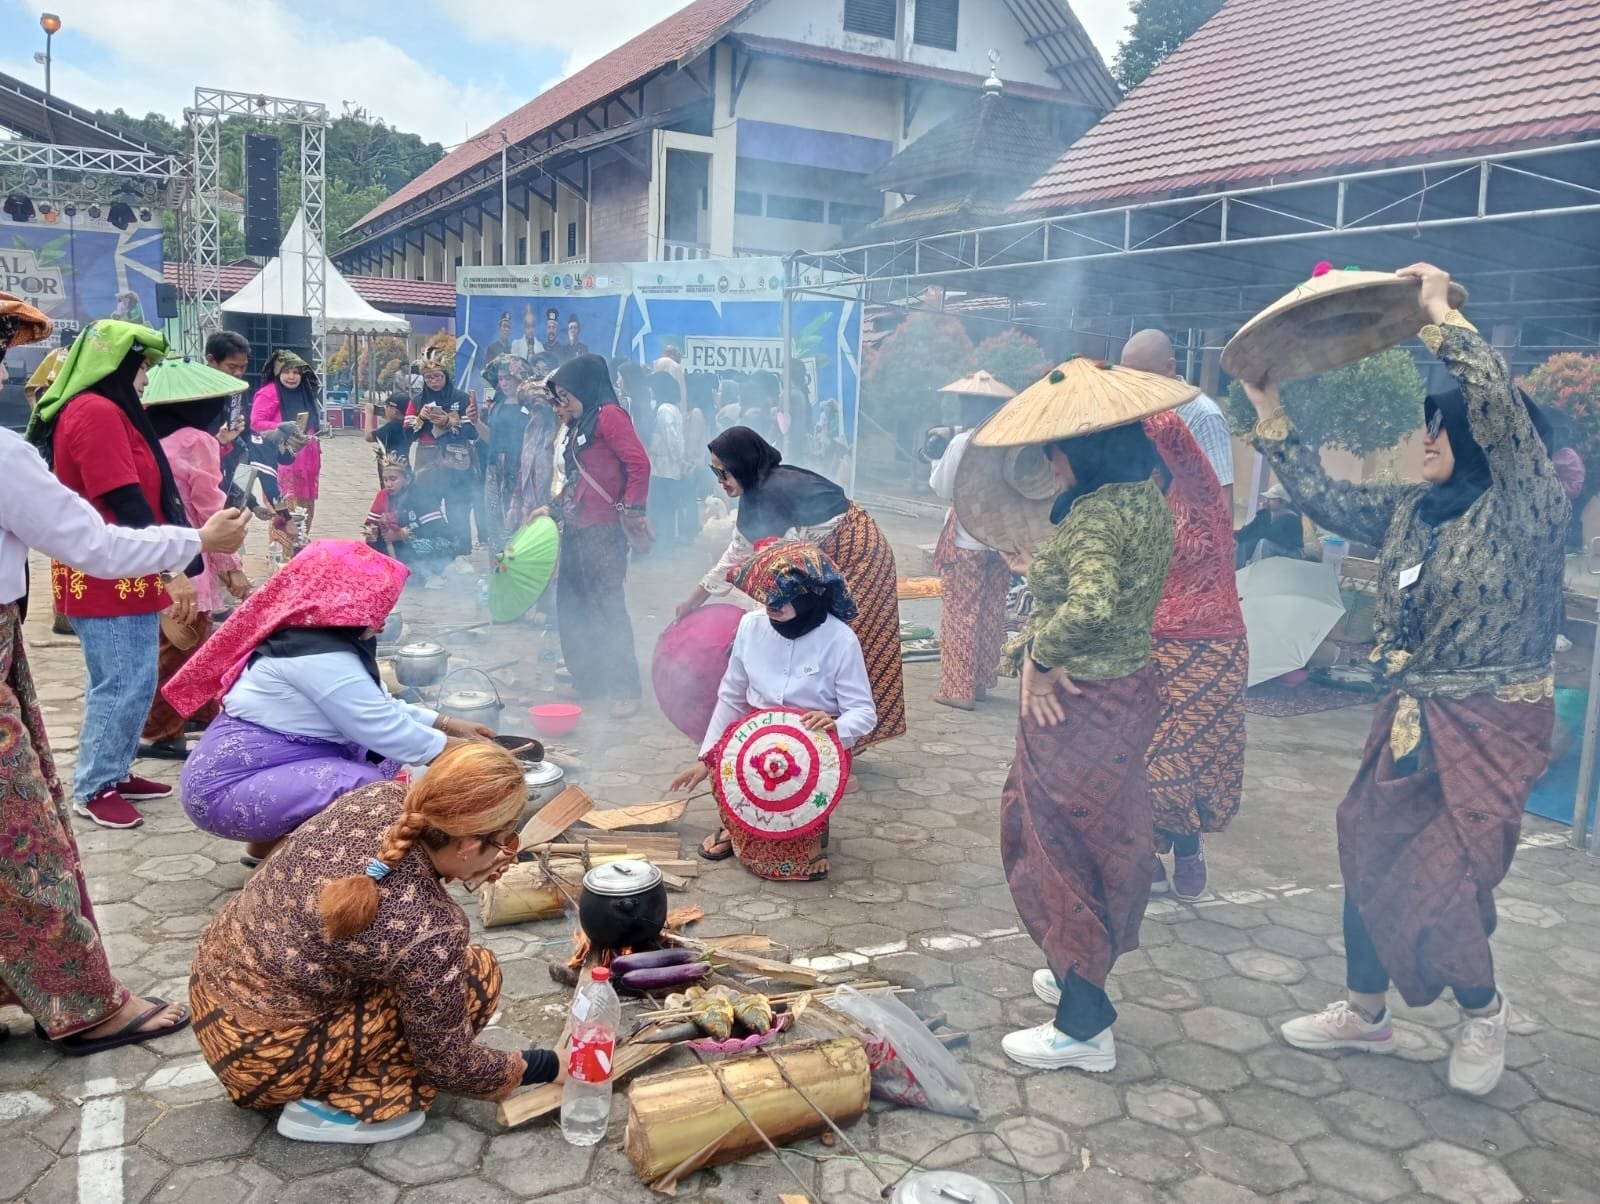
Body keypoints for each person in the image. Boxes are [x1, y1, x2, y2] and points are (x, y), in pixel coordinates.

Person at [1238, 264, 1567, 1096]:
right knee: (1369, 848)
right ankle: (1365, 1011)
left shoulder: (1524, 505)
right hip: (1411, 712)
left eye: (1439, 427)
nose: (1425, 439)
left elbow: (1497, 410)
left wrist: (1435, 316)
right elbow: (1321, 495)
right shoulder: (1415, 511)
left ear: (1480, 440)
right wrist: (1267, 402)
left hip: (1493, 722)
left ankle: (1482, 1009)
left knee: (1446, 877)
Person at [0, 290, 250, 1055]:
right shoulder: (86, 420)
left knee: (133, 684)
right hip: (107, 577)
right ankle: (80, 1001)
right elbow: (104, 527)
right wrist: (195, 544)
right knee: (22, 835)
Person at [189, 742, 561, 1145]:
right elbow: (449, 1065)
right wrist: (550, 1065)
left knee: (422, 978)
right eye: (505, 842)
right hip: (261, 1059)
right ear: (468, 845)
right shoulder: (431, 929)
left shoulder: (379, 795)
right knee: (476, 977)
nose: (505, 854)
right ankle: (338, 1109)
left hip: (210, 990)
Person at [998, 418, 1175, 1074]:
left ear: (1084, 447)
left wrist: (1039, 657)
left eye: (1058, 446)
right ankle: (1076, 968)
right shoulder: (1145, 497)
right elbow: (1107, 587)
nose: (1052, 459)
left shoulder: (1098, 513)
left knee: (1060, 848)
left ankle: (1082, 1026)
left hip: (1078, 703)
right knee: (1101, 840)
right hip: (1125, 691)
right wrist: (1038, 568)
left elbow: (1093, 605)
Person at [165, 541, 494, 861]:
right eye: (379, 604)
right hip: (225, 791)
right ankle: (288, 870)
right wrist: (467, 752)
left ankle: (268, 846)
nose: (382, 619)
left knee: (380, 758)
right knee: (373, 792)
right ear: (346, 598)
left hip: (262, 771)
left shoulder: (317, 639)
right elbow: (385, 728)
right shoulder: (317, 656)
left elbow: (379, 707)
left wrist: (448, 724)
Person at [26, 320, 203, 830]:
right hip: (108, 569)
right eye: (142, 366)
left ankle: (116, 768)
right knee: (120, 682)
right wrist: (173, 564)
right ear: (119, 366)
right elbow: (124, 497)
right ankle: (94, 784)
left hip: (128, 564)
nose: (147, 378)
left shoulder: (109, 409)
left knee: (137, 678)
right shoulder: (95, 411)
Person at [680, 427, 906, 748]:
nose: (719, 480)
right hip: (822, 558)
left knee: (848, 643)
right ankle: (821, 742)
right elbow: (739, 554)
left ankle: (841, 751)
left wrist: (759, 615)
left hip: (858, 555)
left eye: (723, 471)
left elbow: (786, 569)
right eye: (714, 472)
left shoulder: (774, 491)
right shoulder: (755, 493)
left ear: (742, 463)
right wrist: (695, 598)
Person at [671, 540, 875, 881]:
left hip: (816, 747)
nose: (770, 609)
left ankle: (809, 834)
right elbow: (731, 696)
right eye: (767, 601)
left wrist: (837, 725)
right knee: (732, 768)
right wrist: (706, 757)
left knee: (789, 836)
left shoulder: (840, 640)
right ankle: (736, 829)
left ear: (808, 596)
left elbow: (864, 713)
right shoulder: (751, 626)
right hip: (755, 739)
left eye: (780, 603)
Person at [1142, 410, 1248, 901]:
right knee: (1142, 759)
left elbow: (1178, 442)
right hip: (1147, 644)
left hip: (1210, 647)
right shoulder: (1139, 502)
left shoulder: (1203, 499)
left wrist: (1129, 395)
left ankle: (1187, 846)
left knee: (1185, 768)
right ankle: (1145, 853)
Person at [138, 370, 254, 760]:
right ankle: (161, 732)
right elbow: (210, 507)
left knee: (186, 642)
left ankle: (199, 712)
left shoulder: (148, 436)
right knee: (182, 645)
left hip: (153, 549)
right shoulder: (196, 439)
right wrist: (231, 565)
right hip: (189, 552)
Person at [542, 354, 651, 717]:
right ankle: (589, 677)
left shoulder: (609, 416)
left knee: (606, 605)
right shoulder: (580, 422)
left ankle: (626, 686)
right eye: (557, 399)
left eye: (565, 397)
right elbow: (576, 478)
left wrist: (634, 509)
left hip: (604, 529)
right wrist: (554, 509)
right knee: (573, 604)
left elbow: (639, 464)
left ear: (585, 389)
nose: (560, 405)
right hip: (575, 525)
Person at [927, 400, 1011, 712]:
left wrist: (936, 460)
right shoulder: (1013, 440)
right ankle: (978, 683)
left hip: (967, 538)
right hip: (1002, 538)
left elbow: (943, 487)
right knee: (991, 611)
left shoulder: (964, 442)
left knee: (961, 613)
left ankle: (957, 689)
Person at [1121, 328, 1235, 506]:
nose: (1131, 384)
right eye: (1125, 376)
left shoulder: (1203, 415)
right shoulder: (1131, 409)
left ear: (1169, 367)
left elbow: (1221, 493)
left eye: (1140, 375)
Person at [251, 350, 323, 534]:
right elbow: (256, 423)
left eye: (297, 372)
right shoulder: (268, 393)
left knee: (304, 515)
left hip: (306, 464)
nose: (292, 376)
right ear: (277, 372)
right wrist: (282, 427)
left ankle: (298, 557)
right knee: (285, 514)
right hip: (283, 462)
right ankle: (281, 558)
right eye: (287, 371)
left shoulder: (305, 393)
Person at [364, 456, 453, 577]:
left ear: (407, 480)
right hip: (399, 543)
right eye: (385, 480)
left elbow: (436, 529)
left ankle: (427, 571)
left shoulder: (421, 496)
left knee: (422, 547)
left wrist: (402, 534)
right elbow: (370, 524)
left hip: (435, 540)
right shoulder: (383, 496)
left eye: (393, 479)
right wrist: (372, 534)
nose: (388, 484)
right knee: (375, 545)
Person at [477, 355, 531, 551]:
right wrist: (476, 422)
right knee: (494, 522)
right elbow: (491, 439)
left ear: (520, 378)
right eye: (500, 379)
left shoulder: (532, 406)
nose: (504, 383)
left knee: (515, 521)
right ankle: (497, 573)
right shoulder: (496, 406)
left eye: (508, 378)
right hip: (494, 469)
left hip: (518, 470)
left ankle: (517, 572)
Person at [647, 369, 691, 546]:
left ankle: (663, 543)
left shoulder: (664, 410)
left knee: (662, 506)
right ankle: (667, 541)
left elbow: (672, 438)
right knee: (667, 506)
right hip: (669, 465)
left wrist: (678, 459)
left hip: (664, 466)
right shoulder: (672, 408)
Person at [510, 377, 560, 527]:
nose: (533, 414)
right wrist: (515, 503)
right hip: (529, 505)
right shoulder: (531, 430)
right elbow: (524, 468)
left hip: (553, 507)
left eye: (538, 410)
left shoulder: (559, 432)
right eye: (530, 409)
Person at [412, 362, 475, 473]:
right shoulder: (417, 401)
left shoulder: (462, 398)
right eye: (428, 377)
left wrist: (449, 422)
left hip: (457, 454)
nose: (433, 380)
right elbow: (406, 435)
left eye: (437, 376)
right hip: (427, 456)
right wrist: (420, 418)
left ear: (445, 376)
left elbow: (473, 433)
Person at [1234, 482, 1305, 566]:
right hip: (1275, 548)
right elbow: (1251, 527)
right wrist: (1235, 537)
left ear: (1282, 502)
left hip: (1292, 554)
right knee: (1244, 541)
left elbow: (1271, 535)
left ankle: (1258, 573)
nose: (1266, 501)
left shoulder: (1292, 519)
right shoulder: (1267, 514)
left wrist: (1262, 516)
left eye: (1270, 499)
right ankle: (1238, 572)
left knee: (1264, 544)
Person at [367, 393, 421, 464]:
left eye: (387, 407)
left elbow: (368, 436)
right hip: (403, 464)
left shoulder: (392, 426)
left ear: (394, 410)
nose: (385, 409)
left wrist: (369, 413)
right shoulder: (408, 425)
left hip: (392, 467)